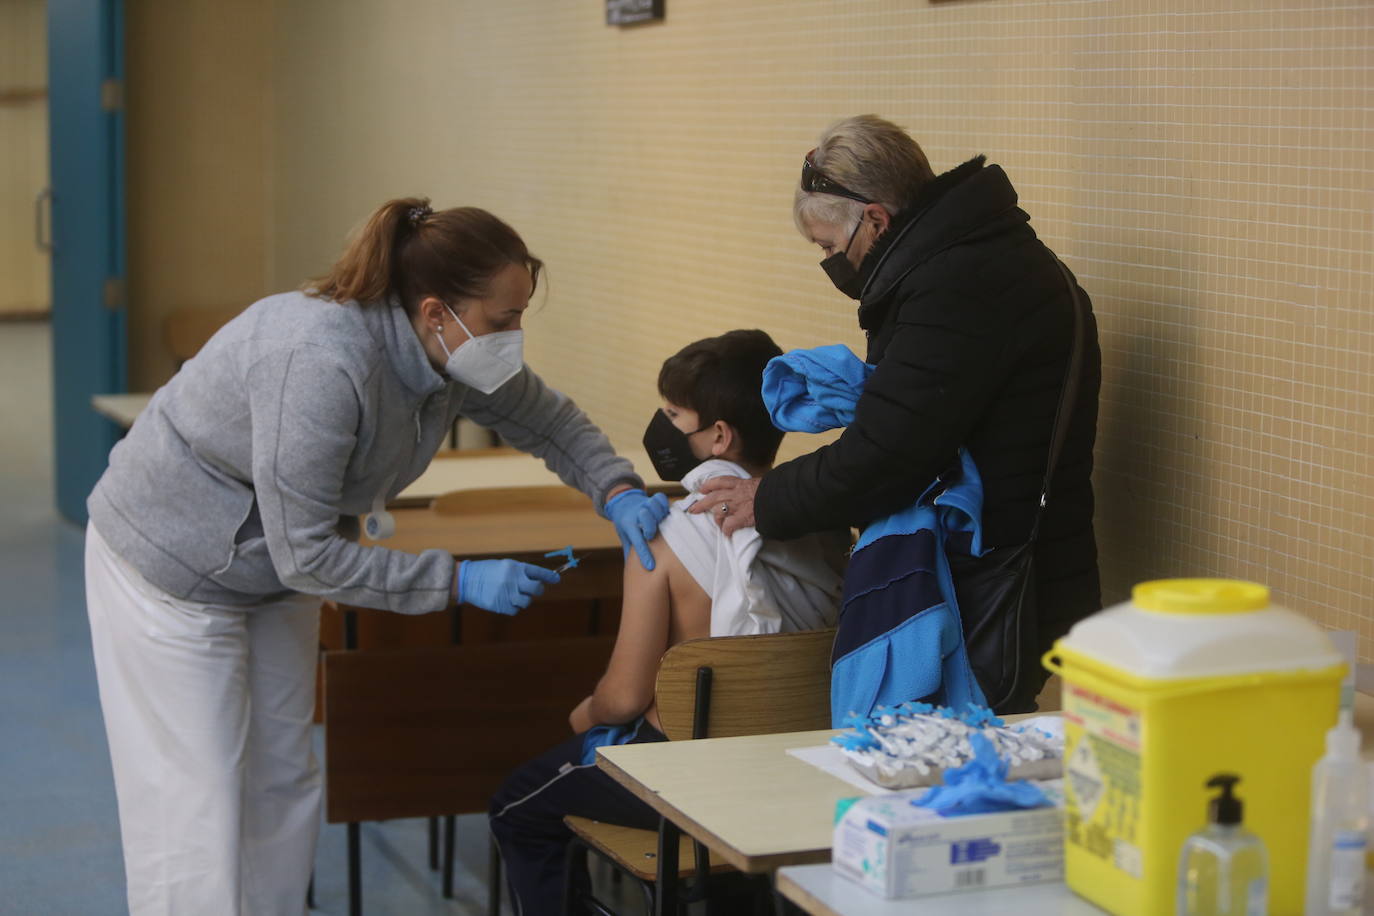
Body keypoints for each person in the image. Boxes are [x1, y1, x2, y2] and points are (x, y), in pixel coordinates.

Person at [83, 198, 670, 915]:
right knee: (195, 793)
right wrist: (453, 579)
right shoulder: (320, 362)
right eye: (503, 320)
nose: (514, 337)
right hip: (170, 562)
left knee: (284, 776)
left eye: (521, 316)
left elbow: (544, 416)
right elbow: (307, 556)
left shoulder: (451, 353)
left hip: (272, 563)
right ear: (434, 312)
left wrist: (616, 489)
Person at [695, 115, 1103, 713]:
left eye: (831, 248)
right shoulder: (983, 261)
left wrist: (772, 497)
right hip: (1016, 563)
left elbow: (890, 451)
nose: (833, 264)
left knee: (938, 770)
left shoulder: (960, 286)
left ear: (877, 219)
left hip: (988, 578)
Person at [489, 329, 848, 916]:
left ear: (718, 436)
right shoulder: (824, 522)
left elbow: (625, 696)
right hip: (793, 772)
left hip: (687, 778)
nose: (661, 424)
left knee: (514, 808)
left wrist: (582, 715)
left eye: (673, 414)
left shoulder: (663, 536)